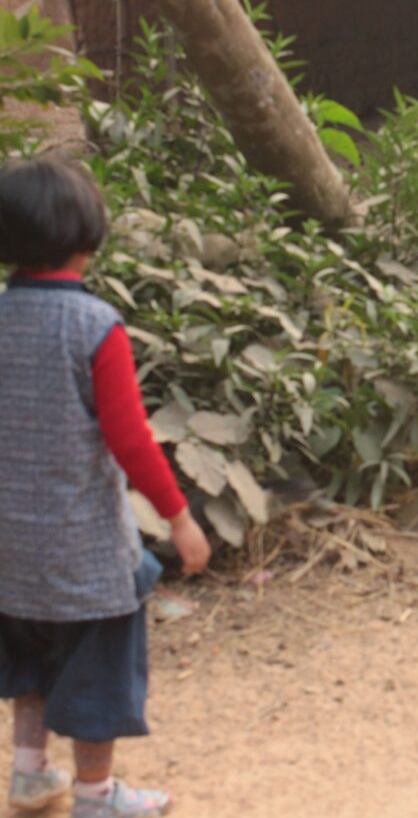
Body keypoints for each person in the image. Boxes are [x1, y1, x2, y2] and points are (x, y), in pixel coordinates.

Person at [0, 157, 211, 817]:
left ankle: (30, 775)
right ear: (87, 235)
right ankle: (96, 796)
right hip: (84, 555)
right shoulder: (96, 328)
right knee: (98, 669)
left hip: (8, 552)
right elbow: (131, 441)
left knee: (27, 659)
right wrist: (178, 518)